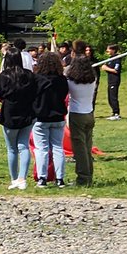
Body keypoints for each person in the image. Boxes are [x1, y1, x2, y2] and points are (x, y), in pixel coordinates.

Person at [0, 50, 37, 189]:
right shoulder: (29, 75)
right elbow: (34, 92)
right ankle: (22, 178)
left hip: (10, 112)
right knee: (24, 146)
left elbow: (0, 93)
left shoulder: (4, 75)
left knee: (12, 148)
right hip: (27, 111)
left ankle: (14, 179)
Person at [31, 51, 69, 187]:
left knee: (41, 149)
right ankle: (60, 178)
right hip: (58, 117)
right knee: (58, 148)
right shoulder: (62, 79)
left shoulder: (36, 79)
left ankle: (42, 178)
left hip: (40, 117)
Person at [66, 55, 97, 187]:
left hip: (77, 115)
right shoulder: (93, 79)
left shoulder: (71, 81)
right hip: (89, 114)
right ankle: (89, 175)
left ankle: (83, 179)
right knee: (87, 147)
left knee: (79, 149)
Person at [103, 44, 122, 119]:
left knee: (113, 97)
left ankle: (116, 113)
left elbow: (116, 70)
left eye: (109, 49)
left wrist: (106, 68)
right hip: (110, 80)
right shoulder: (110, 58)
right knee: (110, 98)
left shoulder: (117, 59)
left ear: (113, 50)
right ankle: (114, 113)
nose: (107, 51)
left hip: (114, 80)